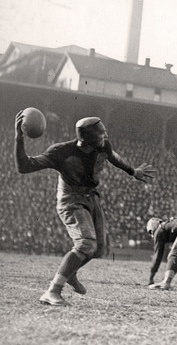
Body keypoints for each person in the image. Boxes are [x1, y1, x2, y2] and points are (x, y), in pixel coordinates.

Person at [14, 113, 155, 306]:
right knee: (86, 244)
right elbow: (24, 166)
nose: (105, 137)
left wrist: (133, 171)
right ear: (88, 139)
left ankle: (70, 272)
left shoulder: (103, 145)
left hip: (91, 197)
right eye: (100, 134)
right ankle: (52, 291)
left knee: (99, 249)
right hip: (70, 199)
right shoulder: (62, 152)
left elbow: (113, 157)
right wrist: (19, 137)